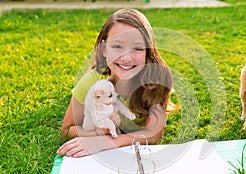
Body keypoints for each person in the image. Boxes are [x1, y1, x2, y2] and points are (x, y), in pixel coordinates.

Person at [57, 8, 174, 158]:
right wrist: (100, 132)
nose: (126, 58)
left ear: (148, 51)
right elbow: (67, 129)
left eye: (137, 48)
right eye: (117, 46)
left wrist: (107, 142)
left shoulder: (159, 79)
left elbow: (154, 134)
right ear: (104, 49)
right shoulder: (91, 82)